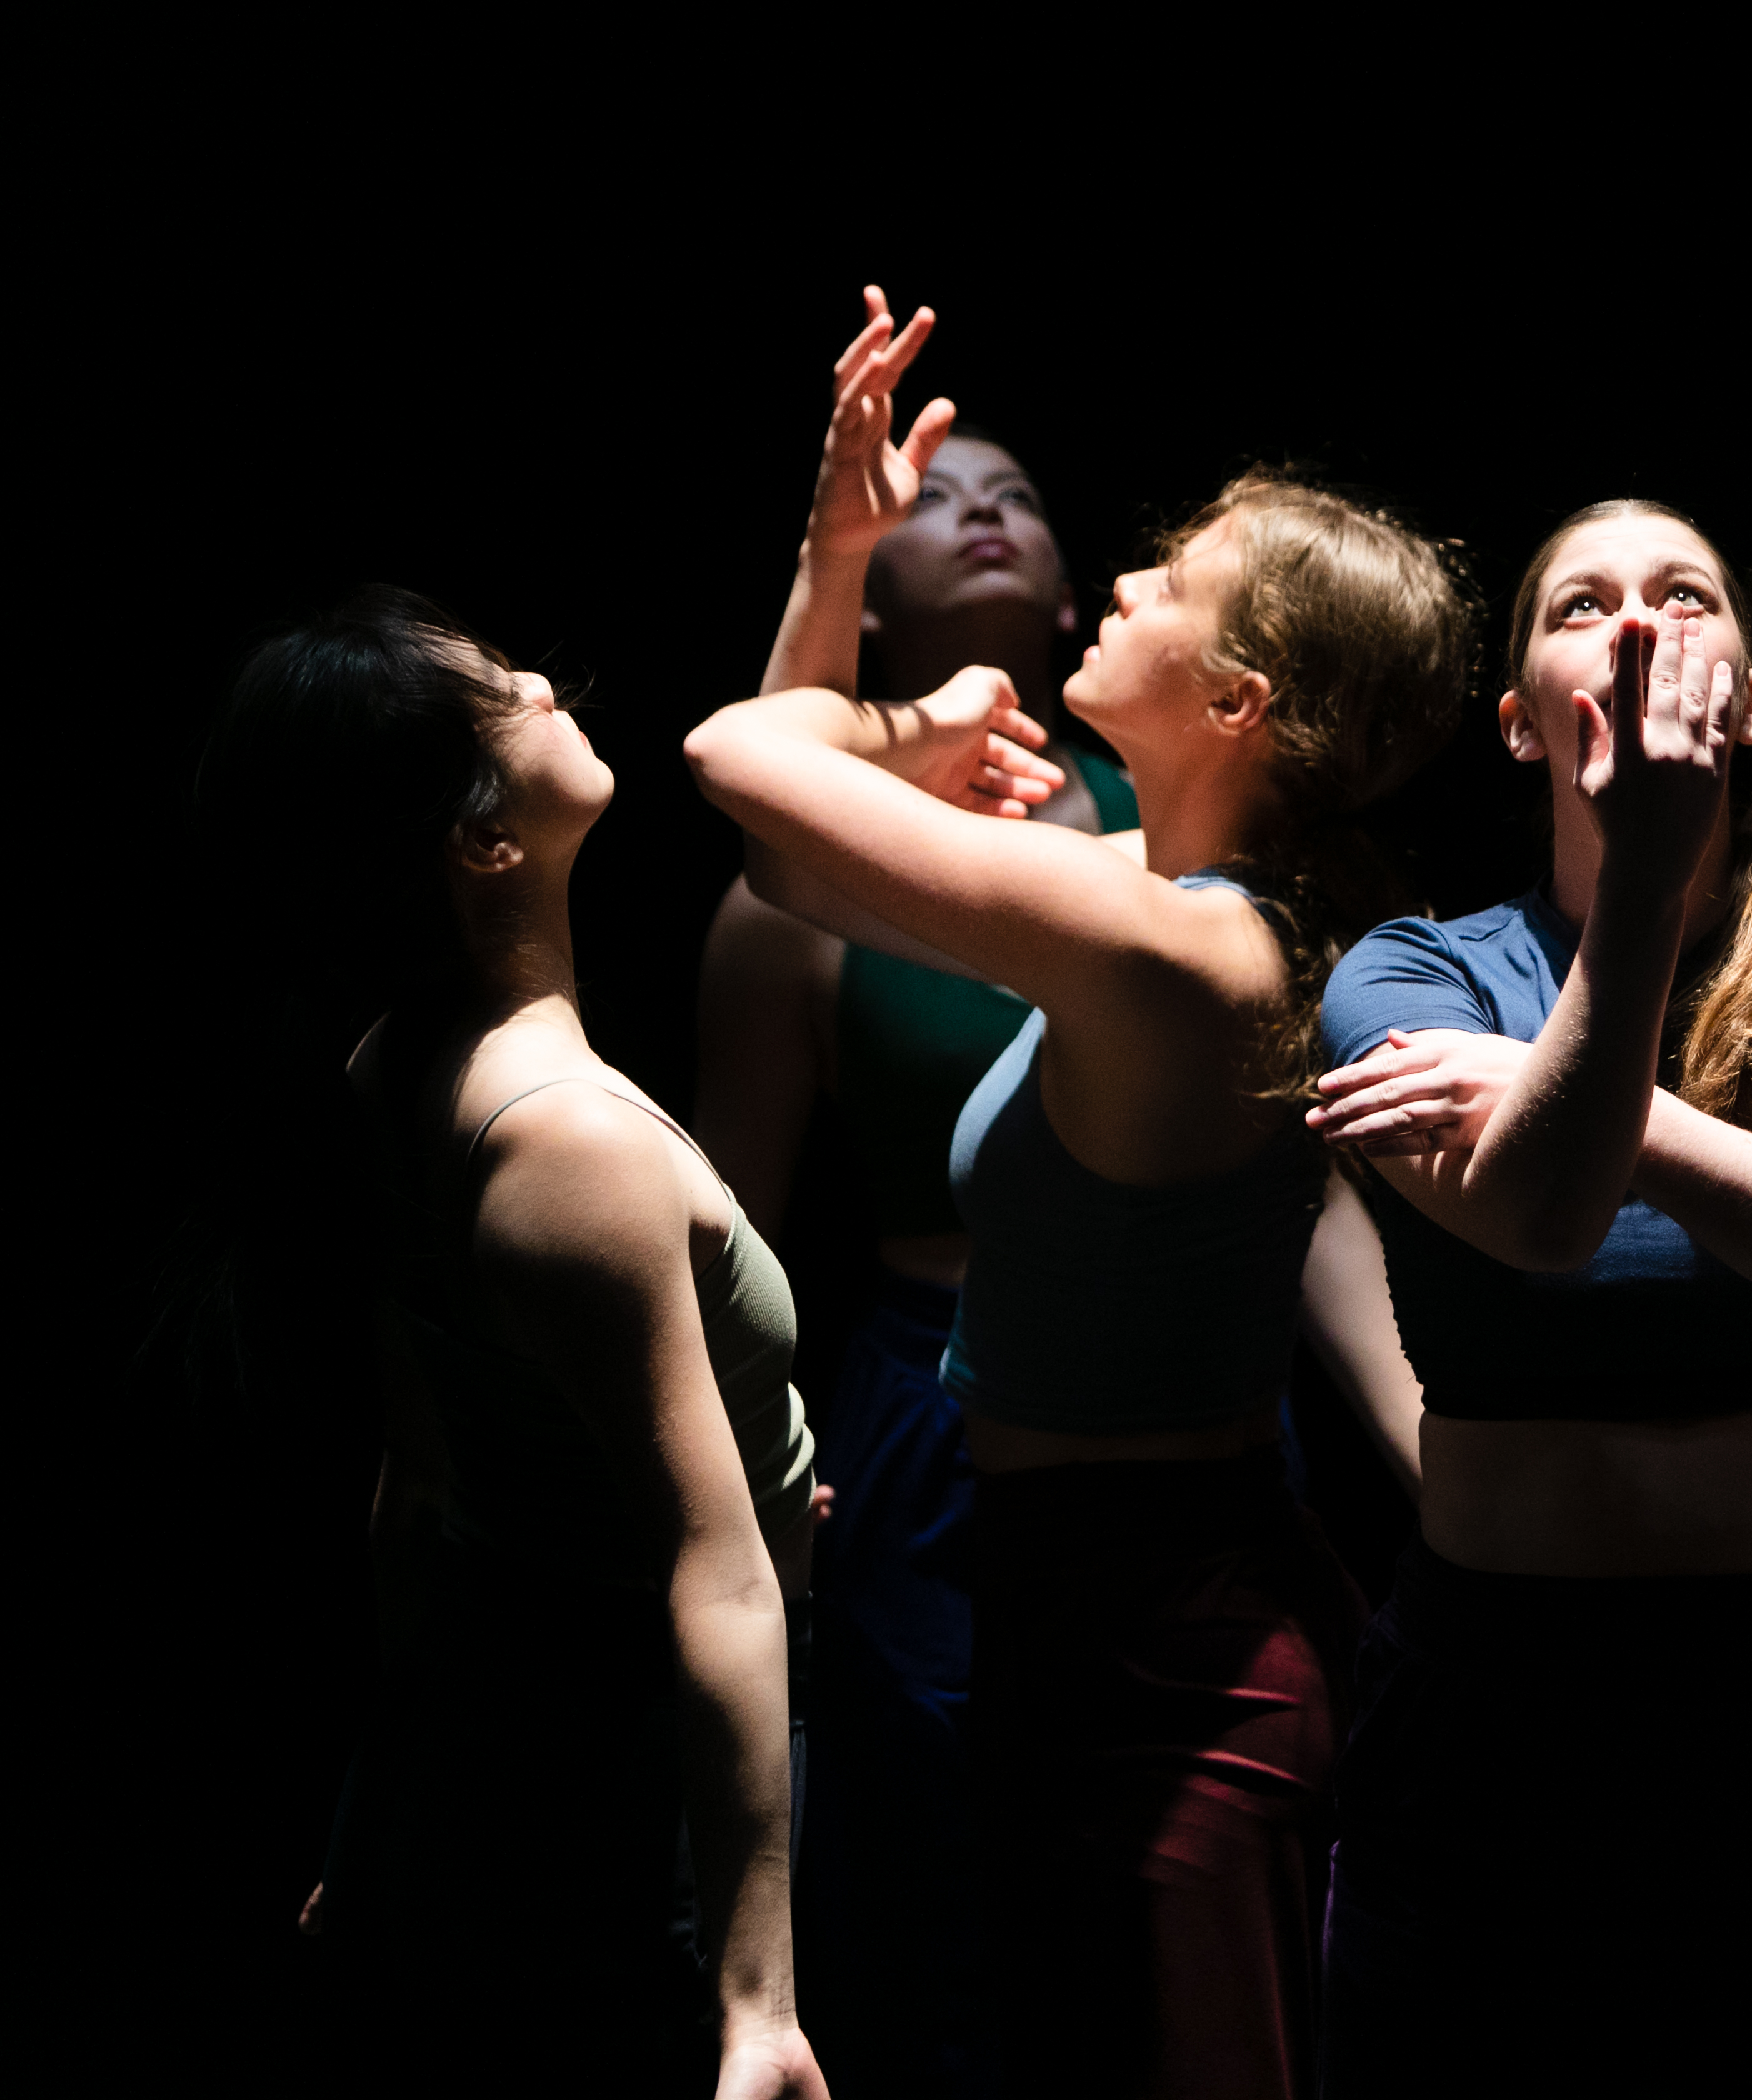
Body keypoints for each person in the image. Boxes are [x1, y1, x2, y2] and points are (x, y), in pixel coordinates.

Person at [684, 289, 1469, 2100]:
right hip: (1065, 1594)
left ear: (1238, 697)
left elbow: (739, 758)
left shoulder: (1173, 948)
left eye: (1171, 575)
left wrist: (932, 707)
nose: (1123, 578)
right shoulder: (1149, 893)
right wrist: (840, 555)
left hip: (1169, 1638)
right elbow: (786, 875)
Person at [1303, 499, 1752, 2095]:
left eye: (1686, 595)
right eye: (1579, 606)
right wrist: (1643, 887)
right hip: (1498, 1702)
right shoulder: (1415, 974)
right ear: (1518, 722)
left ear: (1749, 700)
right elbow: (1542, 1220)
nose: (1634, 625)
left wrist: (1609, 1108)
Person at [205, 589, 823, 2095]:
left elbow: (425, 1489)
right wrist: (760, 2010)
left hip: (492, 1727)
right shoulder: (563, 1149)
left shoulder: (392, 1065)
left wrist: (381, 1812)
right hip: (618, 1773)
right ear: (483, 844)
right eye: (506, 697)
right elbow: (714, 1567)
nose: (547, 680)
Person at [694, 301, 1132, 2098]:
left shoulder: (1163, 823)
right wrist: (835, 540)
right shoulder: (792, 904)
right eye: (937, 496)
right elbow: (726, 1212)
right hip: (916, 1395)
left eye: (1018, 493)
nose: (984, 506)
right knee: (942, 1843)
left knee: (1136, 1845)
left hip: (1154, 1386)